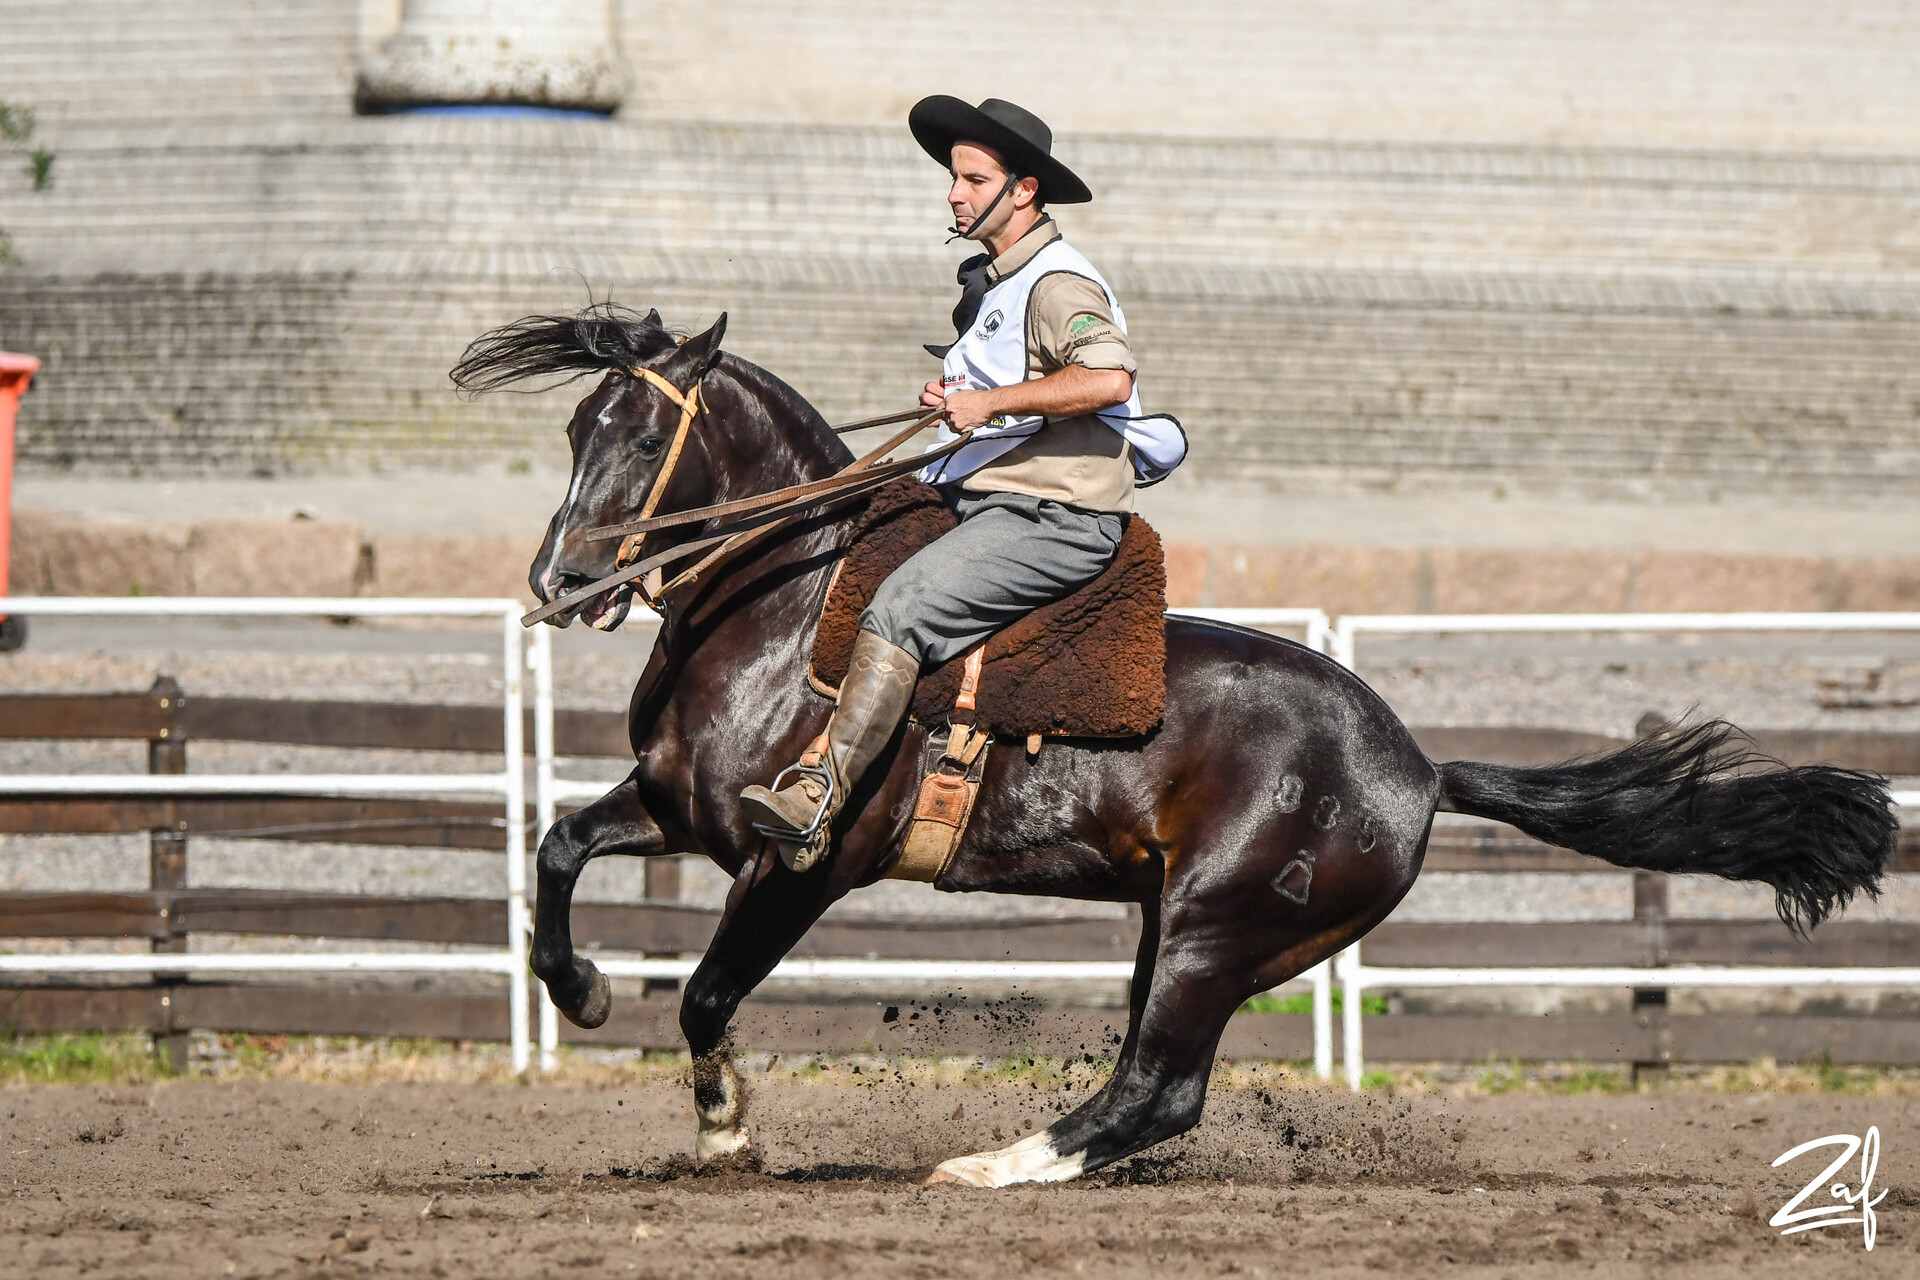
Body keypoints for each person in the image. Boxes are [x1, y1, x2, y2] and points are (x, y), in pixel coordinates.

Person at [740, 96, 1187, 867]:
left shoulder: (1057, 283)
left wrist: (989, 402)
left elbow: (1108, 379)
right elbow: (1012, 391)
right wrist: (958, 400)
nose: (954, 194)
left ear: (1025, 190)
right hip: (987, 500)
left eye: (974, 180)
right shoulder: (1000, 283)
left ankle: (818, 799)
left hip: (1055, 517)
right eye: (954, 178)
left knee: (900, 607)